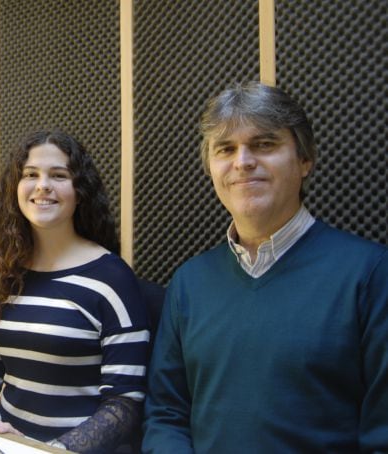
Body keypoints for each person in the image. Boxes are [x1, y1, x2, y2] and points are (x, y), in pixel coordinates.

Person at [143, 82, 388, 453]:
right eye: (226, 149)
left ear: (305, 160)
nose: (243, 161)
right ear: (211, 168)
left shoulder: (370, 274)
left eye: (264, 144)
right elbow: (165, 413)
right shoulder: (188, 283)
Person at [0, 129, 150, 452]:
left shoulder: (112, 280)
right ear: (16, 187)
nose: (43, 185)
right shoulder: (7, 273)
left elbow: (123, 406)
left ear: (79, 190)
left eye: (58, 175)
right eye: (31, 175)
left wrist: (45, 450)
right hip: (4, 445)